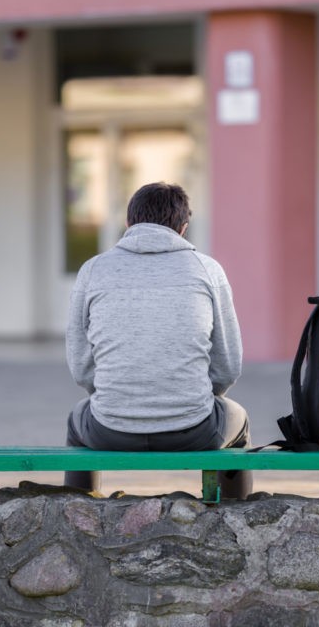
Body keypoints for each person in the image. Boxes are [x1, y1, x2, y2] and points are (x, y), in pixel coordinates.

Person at [64, 182, 252, 499]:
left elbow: (81, 367)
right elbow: (228, 367)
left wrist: (120, 397)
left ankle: (81, 516)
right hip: (194, 429)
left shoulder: (93, 270)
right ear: (183, 228)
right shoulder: (207, 270)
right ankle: (236, 518)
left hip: (110, 429)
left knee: (76, 420)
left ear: (129, 223)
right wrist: (194, 397)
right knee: (240, 421)